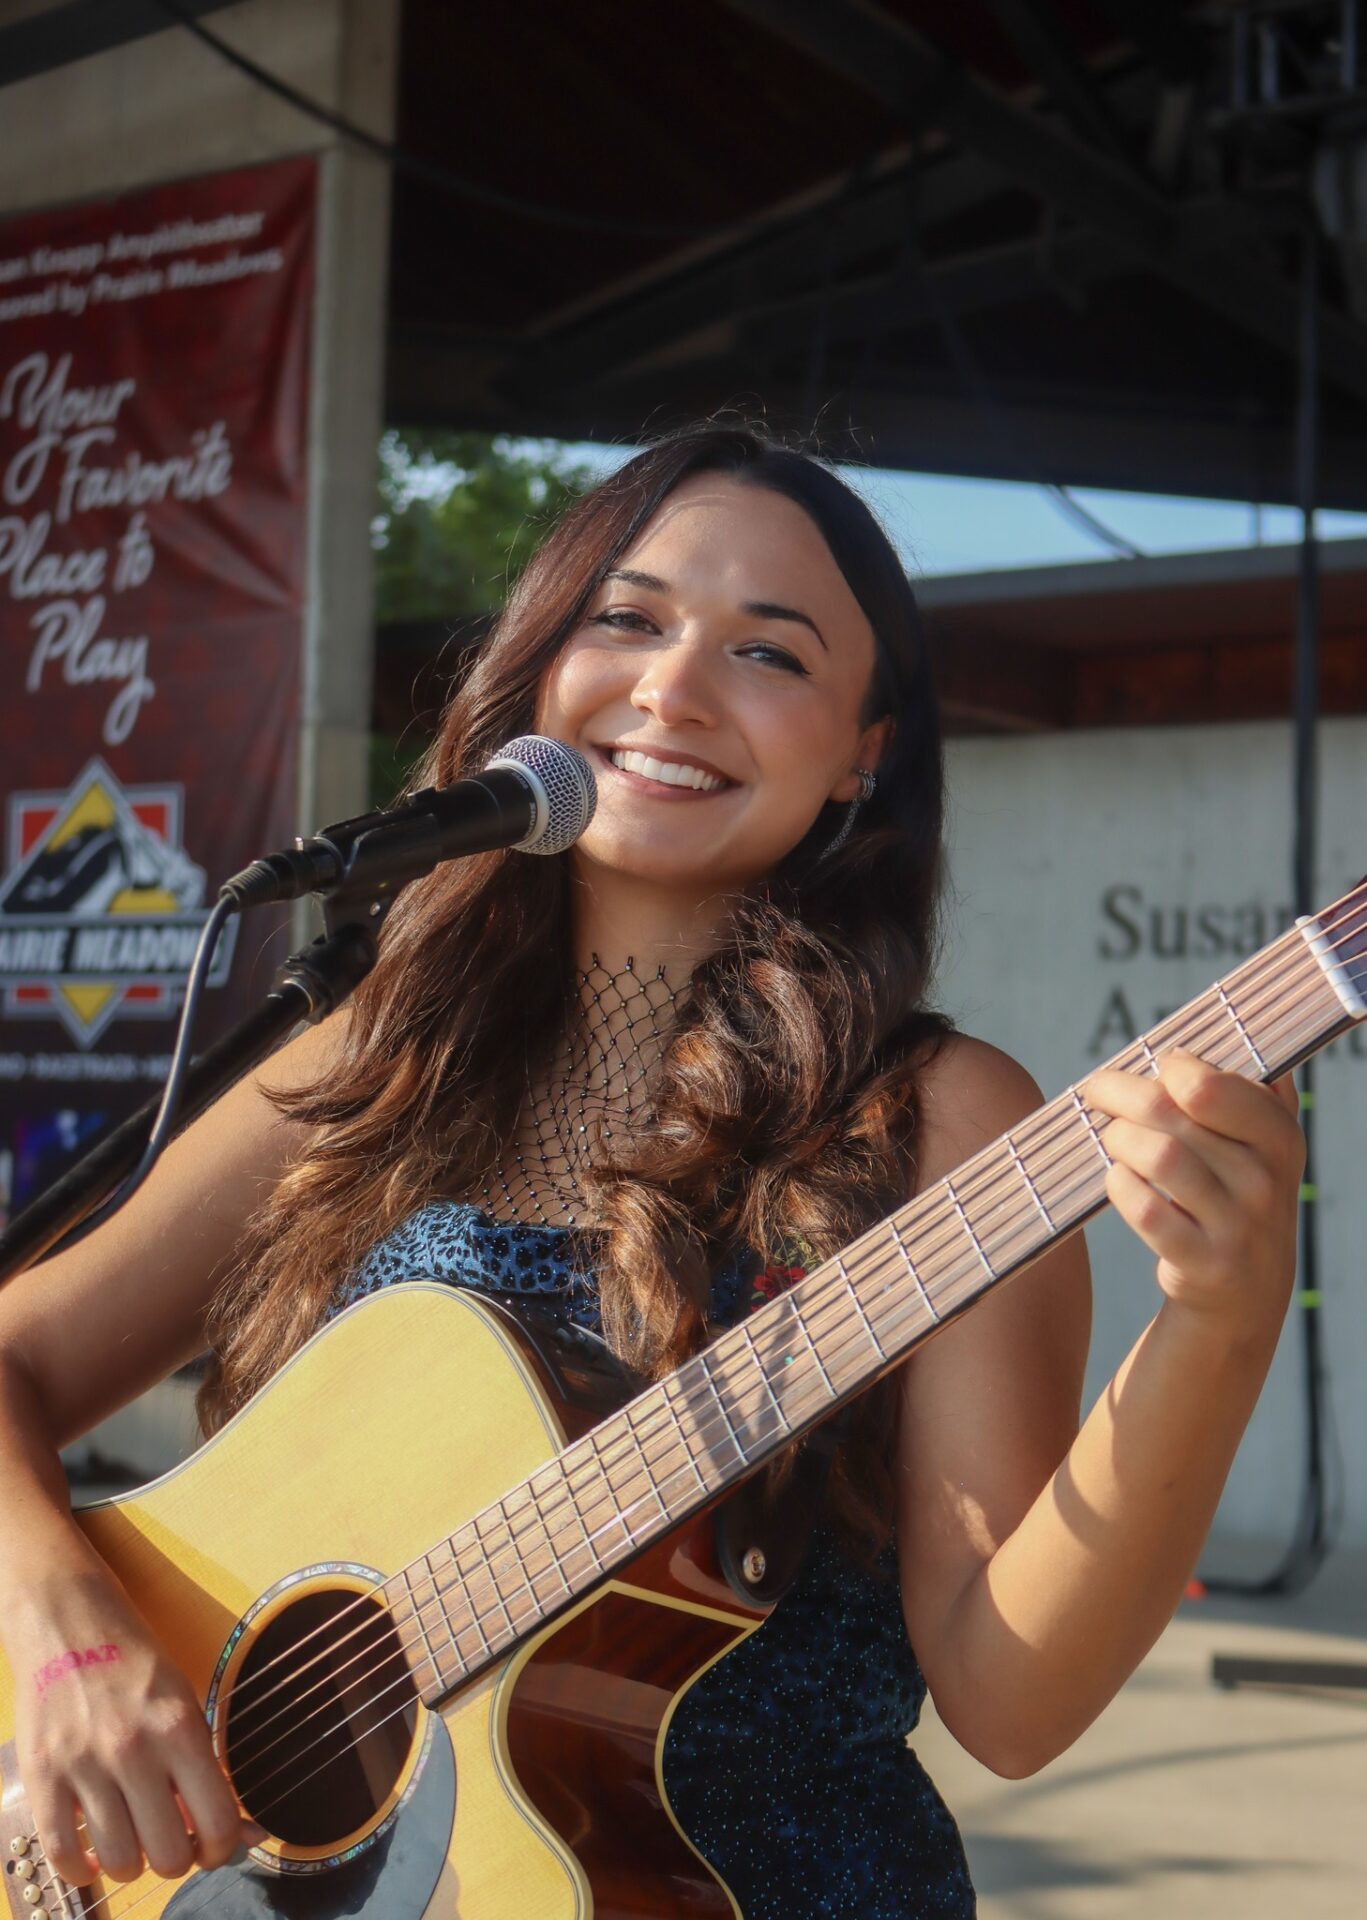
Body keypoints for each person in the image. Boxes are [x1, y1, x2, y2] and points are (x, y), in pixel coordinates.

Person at [0, 424, 1305, 1917]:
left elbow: (1011, 1705)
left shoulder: (936, 1121)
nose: (673, 688)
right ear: (535, 672)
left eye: (770, 653)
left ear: (861, 757)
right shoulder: (374, 1058)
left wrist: (1215, 1326)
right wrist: (71, 1639)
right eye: (625, 619)